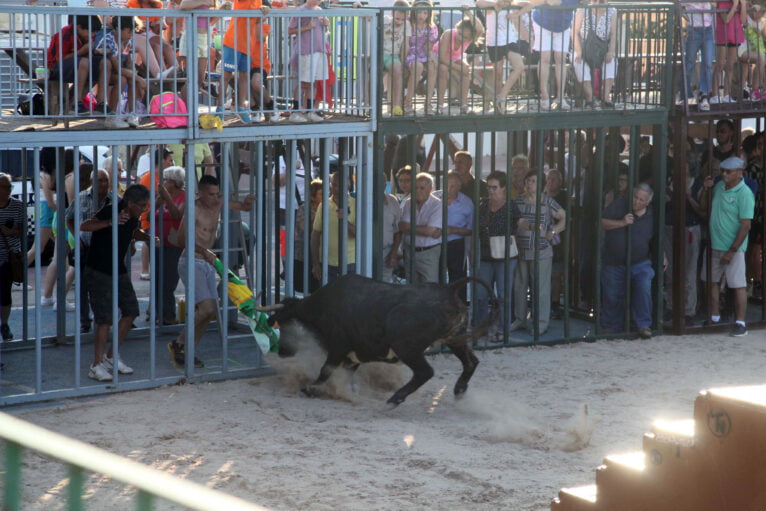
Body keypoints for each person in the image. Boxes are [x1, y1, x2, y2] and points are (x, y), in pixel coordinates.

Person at [168, 175, 256, 368]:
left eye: (218, 194)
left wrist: (248, 201)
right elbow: (182, 241)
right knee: (206, 308)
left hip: (207, 262)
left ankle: (188, 350)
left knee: (209, 312)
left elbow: (243, 207)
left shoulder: (218, 202)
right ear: (200, 193)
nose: (215, 198)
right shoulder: (193, 209)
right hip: (191, 260)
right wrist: (203, 251)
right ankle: (179, 343)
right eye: (211, 194)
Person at [80, 184, 152, 381]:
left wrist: (147, 238)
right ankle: (95, 365)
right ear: (129, 203)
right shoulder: (112, 209)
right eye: (141, 206)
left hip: (118, 269)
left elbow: (132, 230)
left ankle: (111, 357)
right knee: (104, 319)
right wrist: (110, 222)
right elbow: (85, 225)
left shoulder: (133, 214)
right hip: (98, 270)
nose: (144, 209)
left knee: (131, 311)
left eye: (146, 205)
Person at [700, 156, 755, 336]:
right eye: (723, 171)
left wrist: (732, 251)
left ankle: (741, 323)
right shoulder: (718, 187)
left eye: (728, 172)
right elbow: (704, 207)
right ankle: (714, 317)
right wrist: (705, 189)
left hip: (734, 249)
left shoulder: (745, 193)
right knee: (712, 281)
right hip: (715, 245)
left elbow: (745, 225)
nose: (724, 174)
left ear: (740, 173)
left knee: (738, 285)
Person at [600, 183, 659, 338]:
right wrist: (622, 223)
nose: (636, 202)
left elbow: (656, 238)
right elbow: (601, 222)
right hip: (614, 260)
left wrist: (663, 255)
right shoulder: (620, 204)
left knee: (643, 288)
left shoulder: (652, 215)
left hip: (640, 261)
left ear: (648, 202)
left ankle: (643, 325)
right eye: (635, 197)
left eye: (641, 200)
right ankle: (612, 327)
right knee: (612, 294)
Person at [511, 170, 565, 335]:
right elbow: (512, 221)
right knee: (519, 287)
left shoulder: (548, 201)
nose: (529, 184)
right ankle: (519, 319)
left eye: (533, 181)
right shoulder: (518, 201)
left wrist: (554, 231)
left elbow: (563, 217)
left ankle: (541, 323)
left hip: (541, 251)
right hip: (521, 251)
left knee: (540, 289)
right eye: (528, 180)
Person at [65, 168, 112, 333]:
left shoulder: (114, 199)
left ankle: (104, 319)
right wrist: (76, 239)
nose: (103, 184)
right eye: (99, 180)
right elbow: (68, 218)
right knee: (83, 287)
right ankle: (84, 321)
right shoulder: (81, 197)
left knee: (106, 286)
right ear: (92, 182)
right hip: (86, 248)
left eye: (105, 180)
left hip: (107, 250)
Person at [476, 171, 519, 339]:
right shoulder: (483, 205)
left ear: (503, 188)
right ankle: (482, 328)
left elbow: (519, 222)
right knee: (480, 294)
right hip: (486, 255)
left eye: (495, 187)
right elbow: (477, 230)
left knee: (503, 294)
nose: (491, 191)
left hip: (505, 256)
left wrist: (529, 226)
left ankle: (503, 330)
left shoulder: (511, 206)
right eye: (489, 187)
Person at [47, 15, 115, 120]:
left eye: (95, 32)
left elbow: (89, 54)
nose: (94, 35)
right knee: (84, 62)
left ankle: (101, 103)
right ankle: (76, 103)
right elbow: (60, 59)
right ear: (79, 27)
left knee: (105, 62)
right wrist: (80, 52)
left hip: (82, 64)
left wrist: (96, 52)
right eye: (91, 31)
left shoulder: (89, 35)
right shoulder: (65, 34)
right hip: (57, 68)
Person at [663, 158, 704, 322]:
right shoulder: (669, 182)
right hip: (670, 227)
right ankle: (671, 306)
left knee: (689, 271)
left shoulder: (697, 184)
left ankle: (688, 310)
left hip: (690, 228)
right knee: (670, 271)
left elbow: (702, 211)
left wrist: (688, 197)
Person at [218, 0, 272, 123]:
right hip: (233, 42)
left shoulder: (258, 2)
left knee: (244, 76)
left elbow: (257, 23)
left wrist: (264, 11)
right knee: (226, 75)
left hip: (248, 44)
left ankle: (241, 108)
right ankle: (219, 108)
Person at [476, 0, 531, 113]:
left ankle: (502, 96)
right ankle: (498, 104)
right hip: (494, 41)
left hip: (509, 40)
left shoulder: (511, 4)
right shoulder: (491, 4)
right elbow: (478, 3)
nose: (505, 3)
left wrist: (516, 14)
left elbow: (529, 5)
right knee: (498, 74)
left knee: (519, 66)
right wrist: (494, 4)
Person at [529, 0, 580, 111]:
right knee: (545, 59)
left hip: (564, 24)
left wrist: (564, 4)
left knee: (561, 60)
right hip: (543, 22)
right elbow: (552, 2)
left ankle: (560, 97)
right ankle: (544, 97)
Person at [433, 11, 484, 114]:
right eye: (460, 34)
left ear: (470, 38)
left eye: (465, 37)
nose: (461, 38)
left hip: (456, 57)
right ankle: (440, 105)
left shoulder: (470, 38)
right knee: (443, 69)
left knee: (466, 69)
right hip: (439, 56)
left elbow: (480, 29)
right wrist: (458, 68)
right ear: (457, 28)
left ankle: (464, 105)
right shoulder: (448, 33)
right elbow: (442, 58)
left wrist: (469, 13)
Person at [288, 0, 329, 122]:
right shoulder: (300, 11)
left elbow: (324, 31)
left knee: (314, 81)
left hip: (319, 50)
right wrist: (307, 27)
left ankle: (311, 111)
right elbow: (290, 30)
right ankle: (295, 111)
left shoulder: (319, 11)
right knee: (303, 81)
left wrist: (327, 24)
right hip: (305, 50)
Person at [155, 166, 187, 325]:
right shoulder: (161, 196)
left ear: (174, 182)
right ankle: (157, 313)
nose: (162, 182)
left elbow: (177, 215)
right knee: (156, 280)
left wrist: (166, 198)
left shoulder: (184, 196)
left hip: (174, 244)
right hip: (157, 243)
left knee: (168, 281)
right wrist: (156, 202)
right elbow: (147, 215)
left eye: (166, 179)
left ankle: (168, 315)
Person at [311, 171, 356, 282]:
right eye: (334, 184)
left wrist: (344, 221)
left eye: (339, 185)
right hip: (327, 263)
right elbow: (315, 235)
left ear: (348, 185)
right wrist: (315, 263)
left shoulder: (356, 204)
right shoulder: (324, 205)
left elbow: (360, 234)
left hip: (349, 263)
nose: (335, 188)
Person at [572, 0, 617, 108]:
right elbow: (574, 32)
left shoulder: (612, 11)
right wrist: (579, 51)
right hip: (583, 48)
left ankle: (605, 97)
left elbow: (613, 33)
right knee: (579, 64)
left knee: (611, 63)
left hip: (602, 49)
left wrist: (610, 51)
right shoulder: (582, 11)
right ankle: (589, 98)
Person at [399, 172, 442, 283]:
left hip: (428, 253)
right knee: (411, 288)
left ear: (431, 189)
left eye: (422, 188)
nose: (418, 191)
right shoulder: (409, 203)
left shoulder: (437, 205)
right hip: (410, 252)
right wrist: (425, 229)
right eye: (416, 187)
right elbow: (402, 226)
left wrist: (410, 228)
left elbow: (430, 231)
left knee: (429, 289)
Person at [434, 171, 473, 294]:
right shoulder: (434, 198)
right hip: (435, 243)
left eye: (452, 186)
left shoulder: (467, 203)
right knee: (436, 278)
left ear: (459, 187)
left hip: (456, 244)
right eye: (446, 184)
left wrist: (453, 230)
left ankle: (457, 308)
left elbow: (471, 230)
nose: (448, 189)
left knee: (457, 279)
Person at [0, 173, 26, 341]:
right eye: (5, 187)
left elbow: (24, 231)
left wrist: (12, 232)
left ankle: (4, 324)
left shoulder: (18, 206)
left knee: (5, 293)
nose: (8, 190)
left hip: (9, 257)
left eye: (10, 187)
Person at [403, 0, 439, 114]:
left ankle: (428, 104)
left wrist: (432, 57)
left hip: (423, 53)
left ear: (429, 13)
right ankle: (408, 103)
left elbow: (428, 48)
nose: (421, 16)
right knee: (417, 67)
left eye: (424, 13)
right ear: (414, 12)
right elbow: (406, 43)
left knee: (433, 65)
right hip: (411, 53)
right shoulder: (408, 23)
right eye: (419, 12)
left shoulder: (431, 27)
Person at [680, 1, 714, 110]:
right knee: (689, 62)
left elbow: (714, 4)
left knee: (708, 63)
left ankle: (704, 95)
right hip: (694, 30)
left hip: (708, 30)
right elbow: (677, 4)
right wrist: (686, 16)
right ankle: (685, 94)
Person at [711, 0, 746, 103]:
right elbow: (726, 19)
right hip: (723, 36)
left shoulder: (740, 3)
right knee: (720, 65)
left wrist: (743, 4)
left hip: (735, 36)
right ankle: (714, 95)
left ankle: (726, 94)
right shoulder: (722, 2)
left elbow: (743, 20)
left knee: (730, 66)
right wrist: (735, 5)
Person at [383, 0, 411, 116]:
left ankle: (396, 105)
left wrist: (403, 60)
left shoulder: (407, 25)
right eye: (397, 18)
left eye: (402, 19)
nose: (399, 22)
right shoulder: (384, 20)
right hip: (382, 53)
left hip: (394, 56)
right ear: (392, 13)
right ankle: (371, 104)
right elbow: (368, 18)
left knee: (398, 70)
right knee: (373, 73)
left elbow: (406, 44)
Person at [545, 169, 567, 319]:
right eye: (549, 179)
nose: (551, 182)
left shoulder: (564, 198)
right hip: (541, 240)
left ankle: (554, 304)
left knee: (556, 275)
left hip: (558, 242)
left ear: (560, 182)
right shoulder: (541, 197)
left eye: (554, 179)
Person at [294, 179, 322, 292]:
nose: (325, 196)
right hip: (304, 254)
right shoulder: (304, 209)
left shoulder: (327, 208)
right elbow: (305, 228)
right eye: (321, 194)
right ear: (312, 196)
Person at [382, 185, 403, 283]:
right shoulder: (362, 198)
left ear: (384, 185)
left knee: (385, 284)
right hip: (364, 252)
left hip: (386, 251)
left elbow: (398, 231)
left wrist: (393, 254)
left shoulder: (392, 201)